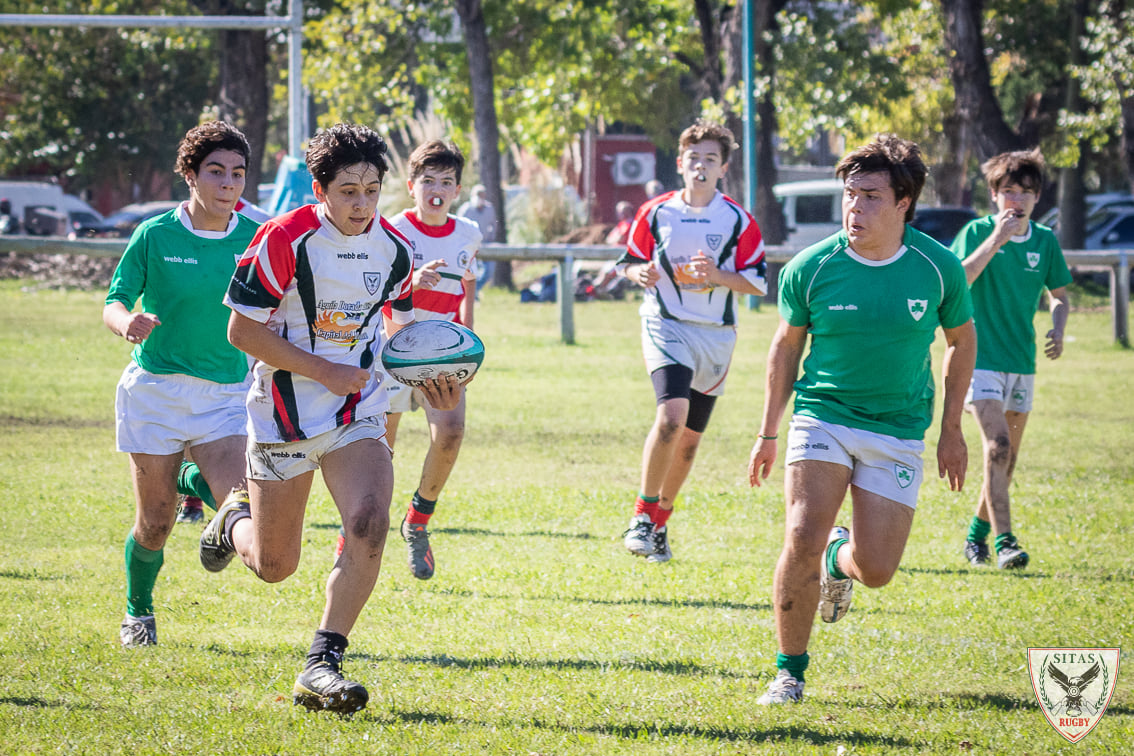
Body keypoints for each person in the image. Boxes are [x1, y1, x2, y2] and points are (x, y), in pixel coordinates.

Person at [199, 123, 460, 715]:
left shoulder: (394, 247)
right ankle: (233, 512)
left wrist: (431, 381)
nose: (362, 204)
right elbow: (242, 331)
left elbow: (394, 324)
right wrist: (323, 370)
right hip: (282, 416)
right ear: (319, 188)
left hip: (357, 410)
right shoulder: (282, 238)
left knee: (369, 521)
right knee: (274, 566)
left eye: (371, 189)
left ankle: (323, 662)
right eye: (347, 191)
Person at [747, 134, 976, 704]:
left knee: (876, 570)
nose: (855, 207)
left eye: (871, 196)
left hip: (898, 429)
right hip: (823, 415)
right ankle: (788, 673)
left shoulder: (937, 268)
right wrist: (768, 432)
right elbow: (784, 349)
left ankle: (838, 558)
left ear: (903, 203)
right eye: (850, 195)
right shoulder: (812, 267)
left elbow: (962, 342)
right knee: (800, 534)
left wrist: (951, 430)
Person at [102, 120, 260, 648]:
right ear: (190, 175)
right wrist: (127, 322)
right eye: (216, 172)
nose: (228, 184)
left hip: (225, 397)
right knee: (155, 523)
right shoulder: (155, 234)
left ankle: (197, 485)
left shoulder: (257, 237)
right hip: (156, 392)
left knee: (244, 501)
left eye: (237, 173)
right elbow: (115, 300)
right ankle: (138, 610)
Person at [616, 120, 767, 563]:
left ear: (723, 169)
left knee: (690, 440)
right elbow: (628, 260)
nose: (701, 166)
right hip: (665, 324)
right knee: (671, 418)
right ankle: (641, 516)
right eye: (694, 157)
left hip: (715, 338)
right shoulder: (657, 212)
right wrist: (636, 273)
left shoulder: (738, 220)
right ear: (680, 163)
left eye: (711, 159)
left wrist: (717, 276)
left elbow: (758, 283)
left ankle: (660, 524)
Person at [333, 139, 481, 581]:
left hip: (444, 354)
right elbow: (368, 290)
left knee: (451, 433)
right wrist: (411, 280)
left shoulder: (468, 232)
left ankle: (418, 520)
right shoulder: (389, 228)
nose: (437, 190)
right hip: (393, 349)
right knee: (382, 452)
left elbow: (468, 283)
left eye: (447, 182)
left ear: (457, 189)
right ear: (412, 185)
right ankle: (351, 534)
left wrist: (470, 340)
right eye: (428, 181)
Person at [952, 149, 1071, 570]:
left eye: (1025, 192)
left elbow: (1059, 294)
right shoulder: (976, 232)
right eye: (1007, 191)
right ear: (994, 195)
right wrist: (995, 241)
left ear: (1037, 198)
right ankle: (1006, 543)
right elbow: (959, 279)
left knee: (1006, 460)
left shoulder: (1045, 241)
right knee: (997, 446)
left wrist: (1057, 326)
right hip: (978, 358)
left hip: (1022, 362)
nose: (1016, 199)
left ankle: (975, 537)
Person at [458, 184, 498, 290]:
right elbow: (459, 227)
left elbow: (494, 224)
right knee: (469, 272)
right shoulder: (466, 209)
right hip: (469, 245)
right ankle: (471, 293)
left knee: (489, 271)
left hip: (485, 244)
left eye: (482, 195)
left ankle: (475, 290)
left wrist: (491, 237)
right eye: (478, 194)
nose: (481, 197)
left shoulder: (489, 208)